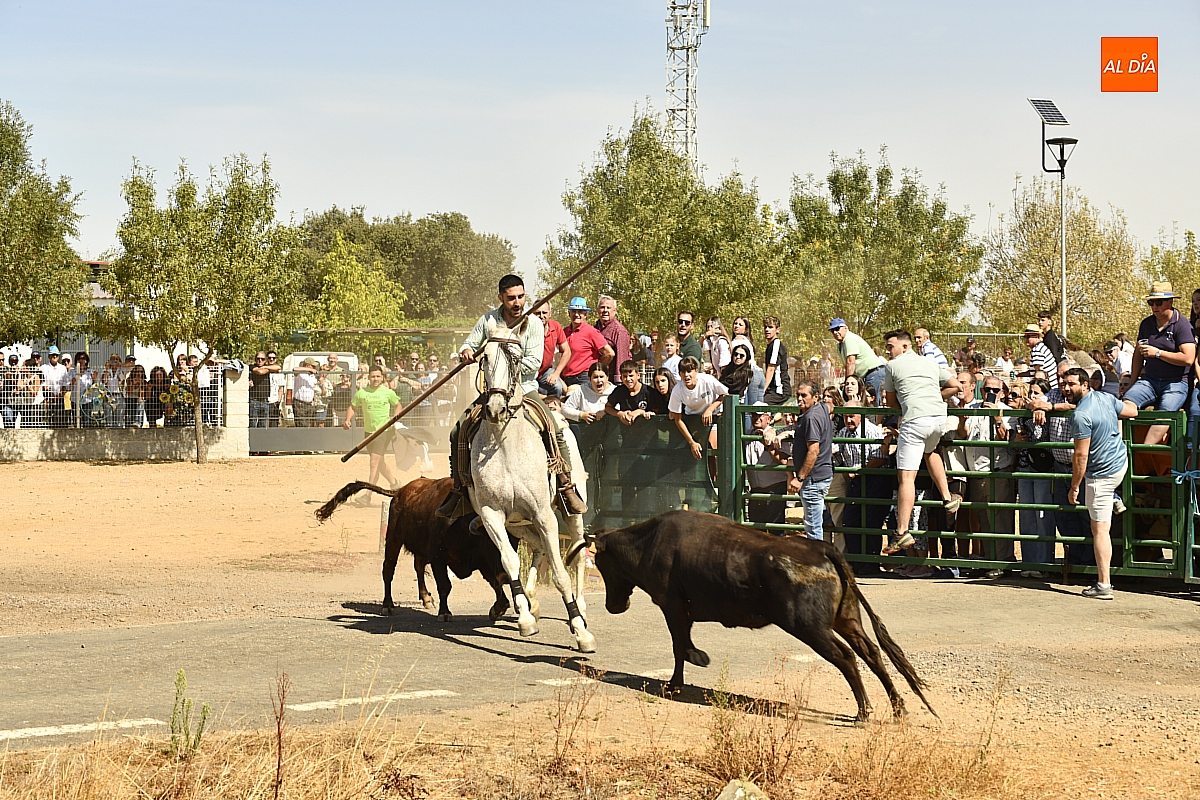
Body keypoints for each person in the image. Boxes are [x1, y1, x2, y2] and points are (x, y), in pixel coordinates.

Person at [438, 274, 587, 518]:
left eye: (520, 297)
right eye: (511, 298)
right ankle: (460, 491)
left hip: (524, 388)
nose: (517, 303)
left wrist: (502, 362)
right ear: (501, 298)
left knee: (553, 428)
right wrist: (465, 351)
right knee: (458, 431)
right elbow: (469, 343)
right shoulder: (488, 320)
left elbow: (533, 363)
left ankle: (565, 486)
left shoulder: (535, 324)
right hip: (493, 390)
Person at [879, 329, 964, 554]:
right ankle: (948, 498)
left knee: (906, 479)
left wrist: (907, 404)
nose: (888, 351)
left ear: (904, 347)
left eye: (890, 346)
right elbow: (956, 386)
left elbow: (890, 402)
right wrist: (935, 396)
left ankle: (902, 531)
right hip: (938, 418)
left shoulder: (891, 367)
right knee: (931, 450)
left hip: (915, 419)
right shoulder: (929, 362)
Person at [1064, 367, 1139, 599]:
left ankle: (1104, 584)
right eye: (1064, 383)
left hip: (1100, 475)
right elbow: (1132, 410)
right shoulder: (1106, 398)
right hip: (1119, 463)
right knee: (1102, 523)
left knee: (1100, 530)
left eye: (1072, 384)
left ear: (1085, 384)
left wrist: (1075, 486)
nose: (1066, 388)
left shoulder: (1080, 415)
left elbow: (1081, 456)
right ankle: (1114, 498)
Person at [1123, 281, 1196, 447]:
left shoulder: (1182, 325)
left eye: (1158, 302)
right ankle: (1122, 451)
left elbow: (1188, 359)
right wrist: (1132, 383)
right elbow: (1137, 356)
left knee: (1164, 415)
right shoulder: (1146, 324)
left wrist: (1158, 353)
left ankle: (1141, 453)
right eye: (1151, 302)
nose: (1154, 306)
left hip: (1177, 383)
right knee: (1124, 404)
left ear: (1170, 302)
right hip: (1149, 380)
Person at [956, 373, 1016, 570]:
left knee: (1000, 519)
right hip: (975, 472)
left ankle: (1004, 562)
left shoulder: (1007, 411)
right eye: (987, 389)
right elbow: (963, 435)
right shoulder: (972, 408)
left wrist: (997, 417)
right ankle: (991, 561)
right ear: (981, 390)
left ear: (1001, 393)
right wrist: (961, 419)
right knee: (984, 520)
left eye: (995, 390)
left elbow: (1006, 439)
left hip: (997, 471)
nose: (990, 393)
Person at [1012, 378, 1055, 575]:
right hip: (1024, 466)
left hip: (1042, 468)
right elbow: (1017, 442)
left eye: (1036, 393)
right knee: (1027, 515)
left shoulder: (1047, 413)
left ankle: (1044, 563)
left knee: (1042, 515)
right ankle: (1029, 562)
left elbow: (1039, 436)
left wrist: (1039, 409)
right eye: (1031, 392)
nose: (1032, 396)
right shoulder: (1023, 414)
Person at [342, 365, 401, 501]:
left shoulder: (388, 392)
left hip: (383, 432)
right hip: (369, 433)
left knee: (374, 462)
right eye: (373, 376)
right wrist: (347, 420)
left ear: (382, 377)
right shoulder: (362, 393)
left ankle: (368, 495)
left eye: (378, 376)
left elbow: (398, 405)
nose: (375, 379)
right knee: (380, 463)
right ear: (369, 377)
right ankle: (394, 483)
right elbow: (353, 406)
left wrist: (395, 418)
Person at [786, 381, 833, 542]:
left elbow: (813, 451)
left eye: (804, 395)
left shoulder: (811, 417)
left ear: (815, 397)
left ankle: (817, 563)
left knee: (813, 528)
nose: (799, 399)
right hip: (821, 475)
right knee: (816, 520)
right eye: (798, 395)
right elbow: (830, 407)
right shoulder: (821, 409)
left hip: (812, 478)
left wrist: (799, 478)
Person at [668, 356, 727, 460]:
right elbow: (678, 419)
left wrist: (710, 409)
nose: (686, 375)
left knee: (711, 450)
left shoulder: (707, 380)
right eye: (683, 372)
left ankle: (715, 476)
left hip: (713, 417)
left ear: (696, 371)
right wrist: (692, 443)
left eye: (689, 371)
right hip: (693, 419)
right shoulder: (677, 390)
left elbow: (725, 394)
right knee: (697, 453)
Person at [745, 404, 791, 526]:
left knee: (775, 529)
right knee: (756, 531)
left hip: (774, 489)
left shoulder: (777, 435)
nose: (756, 418)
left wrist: (768, 445)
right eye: (754, 415)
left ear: (769, 419)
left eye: (760, 415)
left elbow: (784, 461)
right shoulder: (747, 434)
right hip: (755, 490)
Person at [830, 318, 887, 408]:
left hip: (874, 373)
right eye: (832, 331)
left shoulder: (849, 339)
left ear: (845, 328)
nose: (835, 332)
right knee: (868, 403)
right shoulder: (840, 345)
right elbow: (847, 365)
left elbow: (851, 362)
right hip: (868, 375)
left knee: (874, 403)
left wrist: (847, 382)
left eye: (837, 329)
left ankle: (879, 422)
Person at [561, 297, 614, 388]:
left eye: (580, 312)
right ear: (569, 313)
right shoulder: (564, 332)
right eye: (574, 311)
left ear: (585, 314)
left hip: (583, 378)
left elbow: (609, 353)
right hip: (565, 378)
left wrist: (596, 369)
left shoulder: (591, 332)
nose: (577, 314)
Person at [533, 300, 570, 399]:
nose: (541, 316)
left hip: (545, 371)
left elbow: (567, 351)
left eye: (544, 312)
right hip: (530, 372)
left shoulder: (555, 326)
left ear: (550, 313)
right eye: (537, 313)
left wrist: (556, 373)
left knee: (557, 387)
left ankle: (554, 412)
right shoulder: (527, 328)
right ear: (532, 314)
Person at [595, 295, 631, 380]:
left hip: (611, 378)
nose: (605, 310)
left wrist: (619, 380)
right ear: (598, 310)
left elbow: (622, 357)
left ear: (615, 311)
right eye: (602, 307)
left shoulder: (619, 331)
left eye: (608, 308)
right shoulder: (595, 328)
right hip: (597, 376)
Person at [762, 316, 791, 405]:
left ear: (777, 330)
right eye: (765, 327)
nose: (767, 330)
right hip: (773, 390)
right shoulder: (770, 346)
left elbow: (771, 368)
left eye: (770, 327)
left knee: (759, 405)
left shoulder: (776, 344)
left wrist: (763, 390)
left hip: (780, 390)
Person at [39, 346, 69, 428]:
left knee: (61, 419)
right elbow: (43, 384)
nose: (54, 357)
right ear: (49, 356)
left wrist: (60, 394)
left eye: (56, 355)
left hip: (60, 398)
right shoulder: (43, 368)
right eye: (52, 355)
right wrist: (51, 395)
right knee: (50, 420)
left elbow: (64, 383)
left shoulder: (63, 368)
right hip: (48, 398)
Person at [1023, 324, 1059, 391]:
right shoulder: (1040, 347)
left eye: (1028, 337)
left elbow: (1039, 372)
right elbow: (1033, 371)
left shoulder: (1037, 350)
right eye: (1025, 337)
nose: (1026, 339)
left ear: (1036, 336)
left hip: (1049, 388)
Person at [292, 357, 320, 427]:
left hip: (309, 404)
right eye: (312, 366)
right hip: (300, 404)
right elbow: (295, 369)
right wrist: (309, 369)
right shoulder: (300, 374)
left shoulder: (312, 376)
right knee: (301, 425)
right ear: (308, 365)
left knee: (307, 425)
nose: (314, 368)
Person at [248, 352, 274, 428]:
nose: (260, 360)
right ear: (255, 359)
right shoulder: (251, 367)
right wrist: (266, 369)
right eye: (258, 358)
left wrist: (266, 368)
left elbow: (278, 367)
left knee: (263, 425)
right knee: (252, 424)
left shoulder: (267, 367)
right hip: (254, 401)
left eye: (262, 359)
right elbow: (260, 372)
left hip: (265, 401)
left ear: (265, 360)